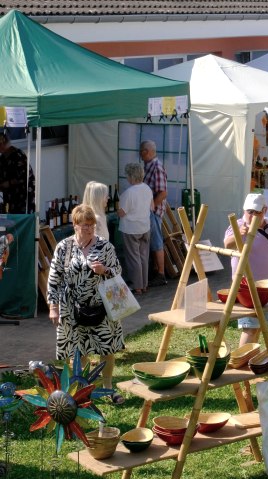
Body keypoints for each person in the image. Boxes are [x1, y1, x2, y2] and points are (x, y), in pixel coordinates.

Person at [47, 204, 125, 404]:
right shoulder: (64, 247)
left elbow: (118, 271)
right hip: (72, 307)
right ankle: (81, 391)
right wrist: (53, 307)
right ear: (74, 225)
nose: (89, 229)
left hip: (101, 305)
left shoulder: (105, 246)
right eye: (84, 225)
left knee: (106, 349)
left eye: (91, 225)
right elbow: (54, 278)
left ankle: (108, 388)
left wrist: (104, 270)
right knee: (78, 350)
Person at [224, 193, 268, 346]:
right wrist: (238, 234)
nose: (252, 215)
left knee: (260, 326)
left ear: (265, 210)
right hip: (248, 288)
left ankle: (250, 359)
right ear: (244, 210)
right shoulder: (238, 225)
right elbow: (227, 245)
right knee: (250, 328)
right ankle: (241, 360)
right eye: (250, 211)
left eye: (257, 212)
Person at [117, 163, 153, 296]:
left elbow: (121, 213)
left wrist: (117, 208)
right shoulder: (147, 189)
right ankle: (144, 284)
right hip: (145, 226)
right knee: (144, 256)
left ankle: (137, 286)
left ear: (131, 176)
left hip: (131, 228)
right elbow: (151, 206)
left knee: (134, 258)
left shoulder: (128, 193)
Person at [141, 140, 168, 287]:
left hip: (154, 211)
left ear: (147, 152)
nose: (140, 155)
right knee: (153, 242)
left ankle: (161, 273)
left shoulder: (156, 167)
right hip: (152, 210)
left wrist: (152, 208)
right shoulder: (149, 165)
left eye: (141, 152)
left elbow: (163, 192)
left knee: (157, 242)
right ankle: (155, 270)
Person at [0, 132, 35, 214]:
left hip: (23, 198)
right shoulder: (2, 158)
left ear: (3, 144)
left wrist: (8, 183)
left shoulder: (18, 155)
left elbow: (25, 176)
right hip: (9, 199)